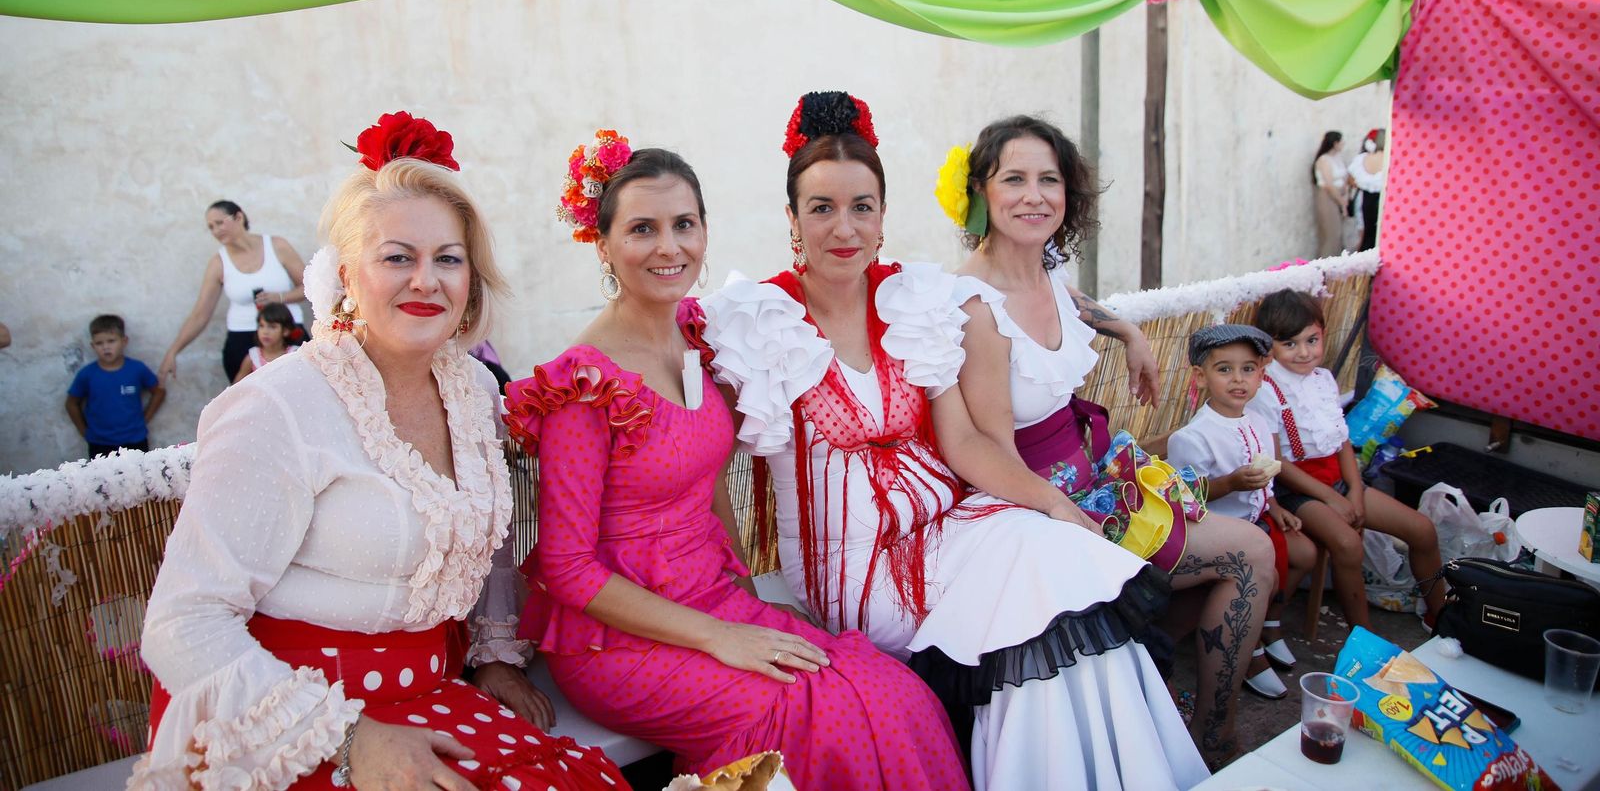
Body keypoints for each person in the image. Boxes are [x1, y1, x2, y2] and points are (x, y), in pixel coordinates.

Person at [704, 94, 1207, 791]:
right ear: (792, 220)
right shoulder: (758, 320)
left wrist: (1057, 506)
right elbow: (703, 462)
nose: (843, 229)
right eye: (821, 208)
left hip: (948, 529)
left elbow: (967, 442)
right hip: (853, 570)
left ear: (884, 217)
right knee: (1033, 594)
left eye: (862, 207)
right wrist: (733, 594)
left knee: (1063, 555)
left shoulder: (912, 301)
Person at [135, 112, 624, 791]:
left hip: (425, 695)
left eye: (447, 259)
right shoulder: (279, 406)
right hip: (280, 721)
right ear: (345, 275)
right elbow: (181, 625)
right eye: (398, 257)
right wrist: (349, 740)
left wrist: (495, 656)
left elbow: (486, 544)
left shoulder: (475, 390)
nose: (426, 280)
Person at [510, 132, 967, 789]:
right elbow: (569, 569)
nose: (670, 247)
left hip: (715, 598)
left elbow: (710, 477)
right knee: (809, 709)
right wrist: (717, 637)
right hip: (619, 640)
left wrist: (747, 605)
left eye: (684, 224)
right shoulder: (584, 385)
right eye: (643, 228)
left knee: (887, 689)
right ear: (603, 243)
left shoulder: (698, 335)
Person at [946, 113, 1276, 767]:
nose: (1034, 194)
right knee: (1247, 554)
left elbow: (1072, 301)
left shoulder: (1042, 267)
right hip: (1038, 511)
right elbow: (988, 452)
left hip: (1098, 479)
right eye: (1014, 178)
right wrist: (1066, 517)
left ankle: (1199, 727)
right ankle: (1205, 737)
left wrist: (1128, 333)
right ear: (981, 192)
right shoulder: (973, 304)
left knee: (1247, 554)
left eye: (1050, 179)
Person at [1248, 289, 1445, 629]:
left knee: (1423, 530)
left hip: (1338, 481)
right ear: (1270, 346)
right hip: (1297, 491)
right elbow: (1279, 465)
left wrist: (1353, 490)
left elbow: (1342, 443)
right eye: (1290, 344)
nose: (1305, 352)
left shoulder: (1324, 380)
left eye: (1312, 340)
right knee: (1348, 544)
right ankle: (1361, 635)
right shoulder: (1266, 390)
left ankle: (1441, 616)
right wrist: (1333, 499)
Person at [1164, 324, 1318, 702]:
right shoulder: (1192, 437)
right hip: (1216, 535)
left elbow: (1265, 476)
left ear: (1261, 376)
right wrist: (1230, 484)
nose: (1238, 380)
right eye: (1225, 369)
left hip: (1257, 521)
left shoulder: (1258, 422)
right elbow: (1189, 499)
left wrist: (1275, 505)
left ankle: (1266, 624)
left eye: (1248, 369)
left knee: (1304, 554)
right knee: (1258, 569)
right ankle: (1249, 650)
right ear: (1200, 376)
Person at [159, 200, 309, 385]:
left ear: (239, 217)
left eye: (219, 223)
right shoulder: (218, 262)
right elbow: (200, 314)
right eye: (210, 227)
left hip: (287, 335)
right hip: (242, 339)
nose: (215, 231)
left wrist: (279, 298)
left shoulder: (277, 246)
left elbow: (309, 287)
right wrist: (173, 351)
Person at [65, 314, 164, 457]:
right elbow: (71, 403)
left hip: (135, 441)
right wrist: (85, 432)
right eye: (99, 343)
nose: (106, 347)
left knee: (139, 478)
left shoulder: (137, 369)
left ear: (124, 341)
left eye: (111, 341)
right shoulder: (87, 374)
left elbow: (159, 392)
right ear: (92, 346)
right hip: (99, 444)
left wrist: (145, 418)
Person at [232, 301, 301, 383]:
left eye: (272, 327)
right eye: (261, 326)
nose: (265, 332)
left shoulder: (294, 355)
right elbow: (236, 387)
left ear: (285, 331)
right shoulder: (253, 357)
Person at [1348, 128, 1387, 251]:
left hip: (1366, 198)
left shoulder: (1364, 158)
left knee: (1368, 231)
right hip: (1384, 198)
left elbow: (1351, 180)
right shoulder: (1388, 158)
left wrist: (1364, 184)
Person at [1311, 131, 1349, 257]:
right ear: (1335, 143)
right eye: (1341, 142)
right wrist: (1341, 202)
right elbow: (1329, 184)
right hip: (1327, 197)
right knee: (1331, 233)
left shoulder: (1337, 158)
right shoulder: (1324, 160)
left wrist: (1345, 196)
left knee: (1338, 234)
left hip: (1339, 195)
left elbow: (1344, 179)